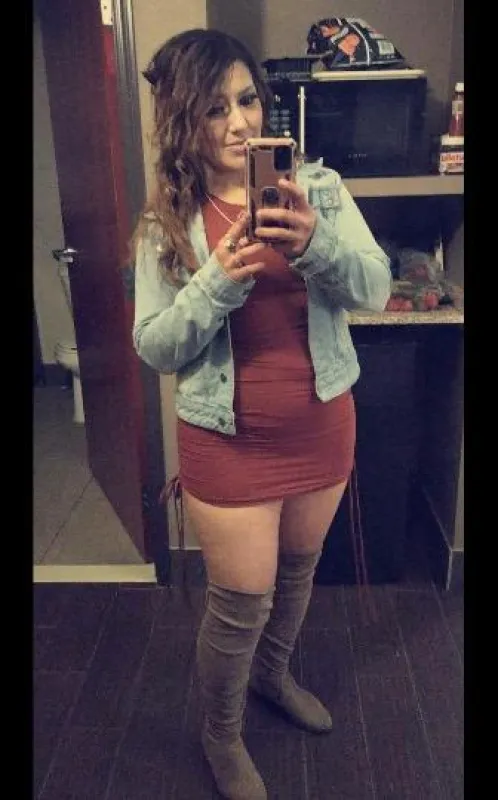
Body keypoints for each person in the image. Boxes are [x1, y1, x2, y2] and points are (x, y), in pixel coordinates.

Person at [132, 28, 391, 800]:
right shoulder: (167, 220)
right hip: (227, 439)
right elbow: (155, 346)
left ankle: (272, 678)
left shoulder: (319, 190)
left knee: (298, 573)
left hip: (320, 421)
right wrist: (215, 282)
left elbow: (374, 288)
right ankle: (221, 732)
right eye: (215, 109)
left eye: (247, 100)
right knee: (241, 602)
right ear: (184, 120)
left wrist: (315, 245)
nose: (241, 123)